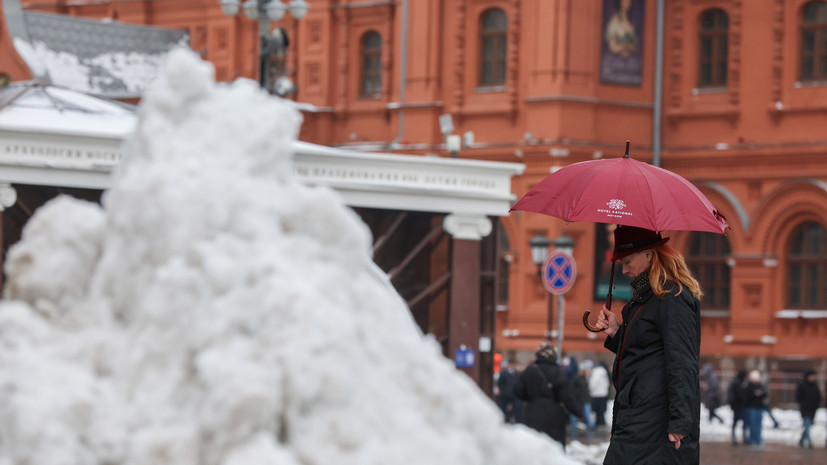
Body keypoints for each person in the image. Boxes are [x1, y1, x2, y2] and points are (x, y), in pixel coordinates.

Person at [592, 225, 701, 464]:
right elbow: (647, 352)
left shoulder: (671, 297)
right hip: (638, 417)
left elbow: (682, 361)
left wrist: (681, 421)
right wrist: (617, 333)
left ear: (649, 254)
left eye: (628, 261)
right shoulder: (646, 297)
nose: (624, 270)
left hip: (656, 423)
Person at [513, 342, 582, 449]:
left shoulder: (529, 371)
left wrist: (530, 398)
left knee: (533, 445)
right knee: (554, 447)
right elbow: (567, 396)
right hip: (554, 414)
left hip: (532, 412)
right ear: (553, 356)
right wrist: (578, 412)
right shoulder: (558, 372)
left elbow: (517, 390)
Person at [795, 368, 821, 449]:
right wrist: (803, 404)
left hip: (813, 409)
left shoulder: (815, 385)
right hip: (805, 409)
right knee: (806, 424)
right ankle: (809, 442)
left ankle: (801, 439)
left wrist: (816, 405)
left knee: (807, 425)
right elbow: (798, 397)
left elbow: (818, 397)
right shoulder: (802, 385)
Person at [569, 362, 596, 437]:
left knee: (587, 413)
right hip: (579, 399)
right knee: (576, 413)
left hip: (585, 399)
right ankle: (574, 425)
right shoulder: (576, 378)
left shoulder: (584, 378)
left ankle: (590, 425)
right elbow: (573, 389)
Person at [744, 369, 767, 446]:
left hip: (759, 407)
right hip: (752, 407)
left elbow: (765, 393)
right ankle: (752, 439)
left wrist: (760, 394)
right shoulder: (749, 386)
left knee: (758, 424)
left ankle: (758, 439)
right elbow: (747, 395)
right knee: (752, 424)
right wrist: (754, 394)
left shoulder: (761, 386)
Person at [726, 369, 749, 445]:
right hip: (738, 406)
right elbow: (737, 395)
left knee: (738, 423)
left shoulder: (737, 382)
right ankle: (737, 438)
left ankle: (738, 438)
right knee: (738, 423)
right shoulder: (737, 383)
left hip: (739, 406)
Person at [496, 359, 522, 424]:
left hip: (514, 394)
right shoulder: (503, 373)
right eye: (510, 364)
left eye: (513, 364)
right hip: (505, 394)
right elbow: (500, 383)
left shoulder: (517, 374)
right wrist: (503, 390)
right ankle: (504, 420)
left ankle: (516, 421)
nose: (511, 366)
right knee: (503, 408)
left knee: (517, 407)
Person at [588, 361, 611, 428]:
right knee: (601, 409)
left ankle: (596, 422)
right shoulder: (604, 372)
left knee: (594, 409)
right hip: (603, 394)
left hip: (596, 394)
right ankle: (601, 422)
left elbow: (593, 383)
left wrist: (590, 389)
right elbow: (607, 383)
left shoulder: (596, 372)